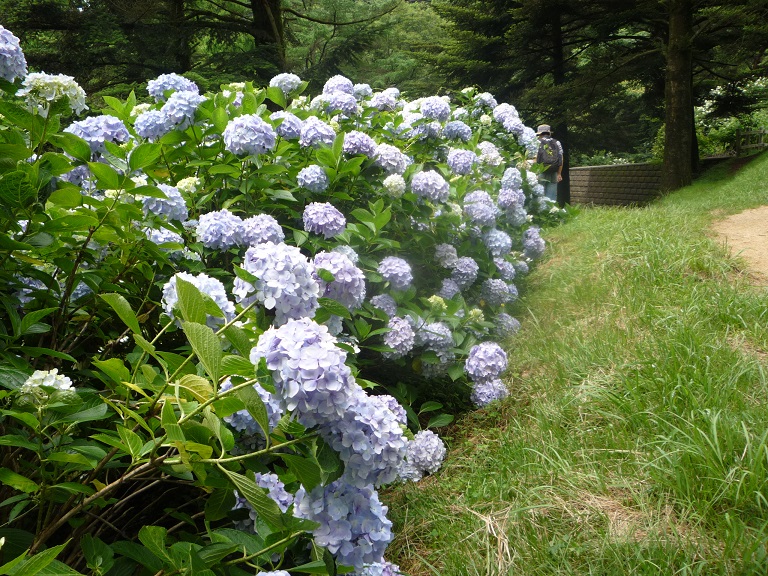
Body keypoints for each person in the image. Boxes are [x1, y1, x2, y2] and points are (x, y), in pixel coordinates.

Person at [536, 124, 563, 202]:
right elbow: (561, 158)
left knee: (539, 198)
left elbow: (535, 158)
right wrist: (559, 173)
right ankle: (551, 213)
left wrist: (535, 173)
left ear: (540, 133)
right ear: (549, 133)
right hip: (554, 172)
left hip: (541, 172)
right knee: (551, 200)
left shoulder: (537, 142)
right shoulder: (557, 142)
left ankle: (541, 214)